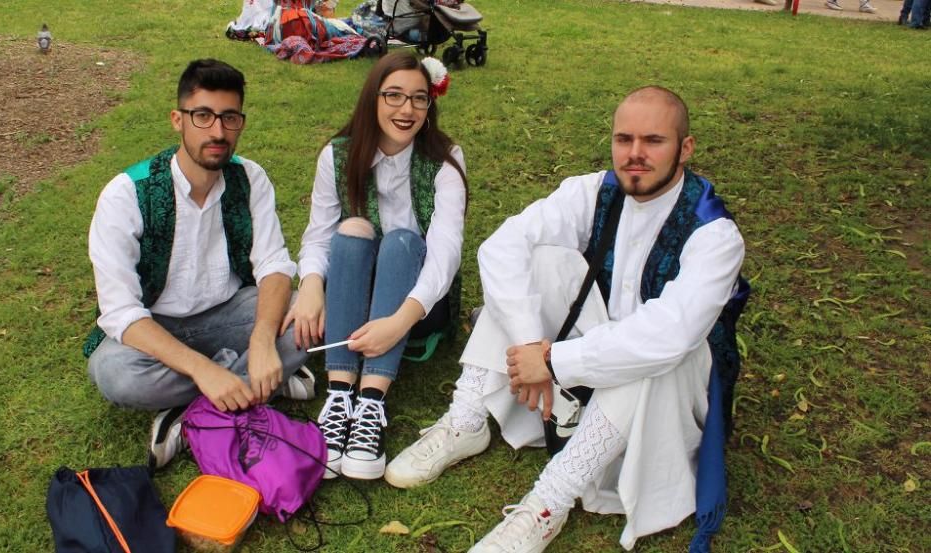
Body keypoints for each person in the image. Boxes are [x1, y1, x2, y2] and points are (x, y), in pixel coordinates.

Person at [385, 86, 749, 552]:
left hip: (672, 385)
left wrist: (554, 361)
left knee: (657, 354)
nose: (634, 155)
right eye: (624, 139)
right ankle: (467, 421)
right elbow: (500, 246)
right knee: (534, 262)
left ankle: (549, 500)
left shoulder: (714, 232)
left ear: (686, 148)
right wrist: (529, 345)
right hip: (586, 352)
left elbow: (669, 335)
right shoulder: (594, 191)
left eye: (653, 141)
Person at [84, 59, 312, 469]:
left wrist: (262, 340)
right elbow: (121, 311)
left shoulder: (250, 178)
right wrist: (205, 370)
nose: (218, 132)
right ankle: (253, 382)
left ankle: (185, 413)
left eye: (229, 118)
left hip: (228, 312)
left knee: (303, 320)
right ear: (178, 119)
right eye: (203, 116)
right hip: (155, 325)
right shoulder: (127, 195)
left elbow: (274, 265)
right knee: (114, 374)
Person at [284, 52, 466, 480]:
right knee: (350, 230)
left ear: (429, 106)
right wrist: (311, 286)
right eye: (394, 96)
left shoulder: (445, 159)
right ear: (373, 98)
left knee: (403, 241)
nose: (407, 110)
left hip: (416, 305)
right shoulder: (338, 154)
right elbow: (318, 233)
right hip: (354, 291)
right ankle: (340, 394)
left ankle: (371, 401)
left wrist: (400, 321)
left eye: (419, 99)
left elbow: (445, 253)